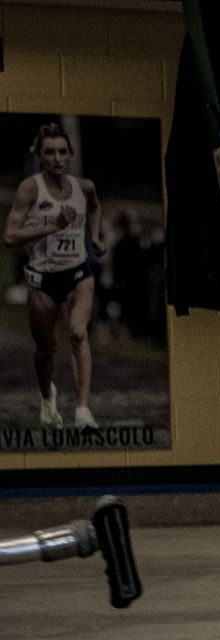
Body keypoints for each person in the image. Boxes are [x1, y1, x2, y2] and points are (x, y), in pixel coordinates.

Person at [5, 122, 106, 429]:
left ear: (70, 155)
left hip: (78, 272)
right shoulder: (30, 189)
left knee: (77, 333)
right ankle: (48, 398)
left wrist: (95, 236)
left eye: (63, 152)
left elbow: (95, 207)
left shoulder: (84, 187)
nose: (57, 158)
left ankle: (83, 410)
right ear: (40, 157)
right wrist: (53, 226)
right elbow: (10, 236)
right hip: (43, 279)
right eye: (49, 153)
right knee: (46, 349)